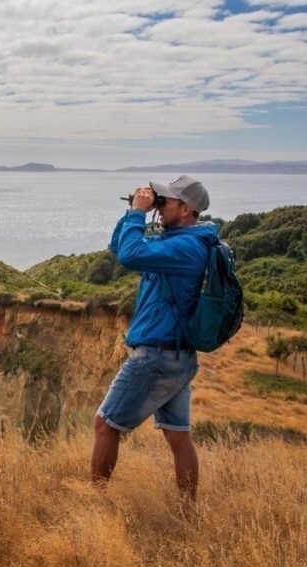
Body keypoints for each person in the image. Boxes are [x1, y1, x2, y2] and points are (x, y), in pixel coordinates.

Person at [90, 175, 219, 502]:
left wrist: (139, 213)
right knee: (179, 437)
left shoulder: (186, 247)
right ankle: (188, 513)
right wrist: (133, 211)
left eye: (167, 201)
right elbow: (119, 248)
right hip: (175, 356)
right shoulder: (174, 241)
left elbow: (131, 256)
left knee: (105, 426)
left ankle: (96, 505)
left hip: (157, 358)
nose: (160, 205)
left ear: (186, 208)